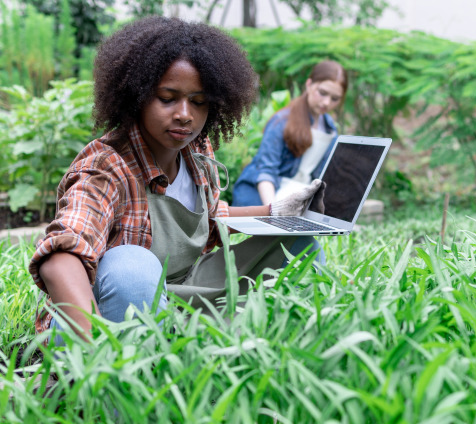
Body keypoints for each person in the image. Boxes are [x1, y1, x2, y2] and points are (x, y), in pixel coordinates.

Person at [29, 16, 324, 341]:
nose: (185, 114)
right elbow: (62, 256)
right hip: (110, 309)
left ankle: (268, 343)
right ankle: (132, 367)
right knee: (131, 265)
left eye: (198, 102)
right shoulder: (106, 167)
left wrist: (277, 212)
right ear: (136, 96)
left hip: (183, 292)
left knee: (298, 245)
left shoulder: (196, 150)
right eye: (167, 98)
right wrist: (94, 347)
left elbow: (207, 220)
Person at [232, 60, 348, 206]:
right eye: (322, 93)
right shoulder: (281, 121)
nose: (326, 102)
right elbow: (266, 172)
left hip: (296, 199)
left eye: (335, 99)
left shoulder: (331, 129)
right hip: (260, 197)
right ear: (309, 84)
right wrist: (272, 211)